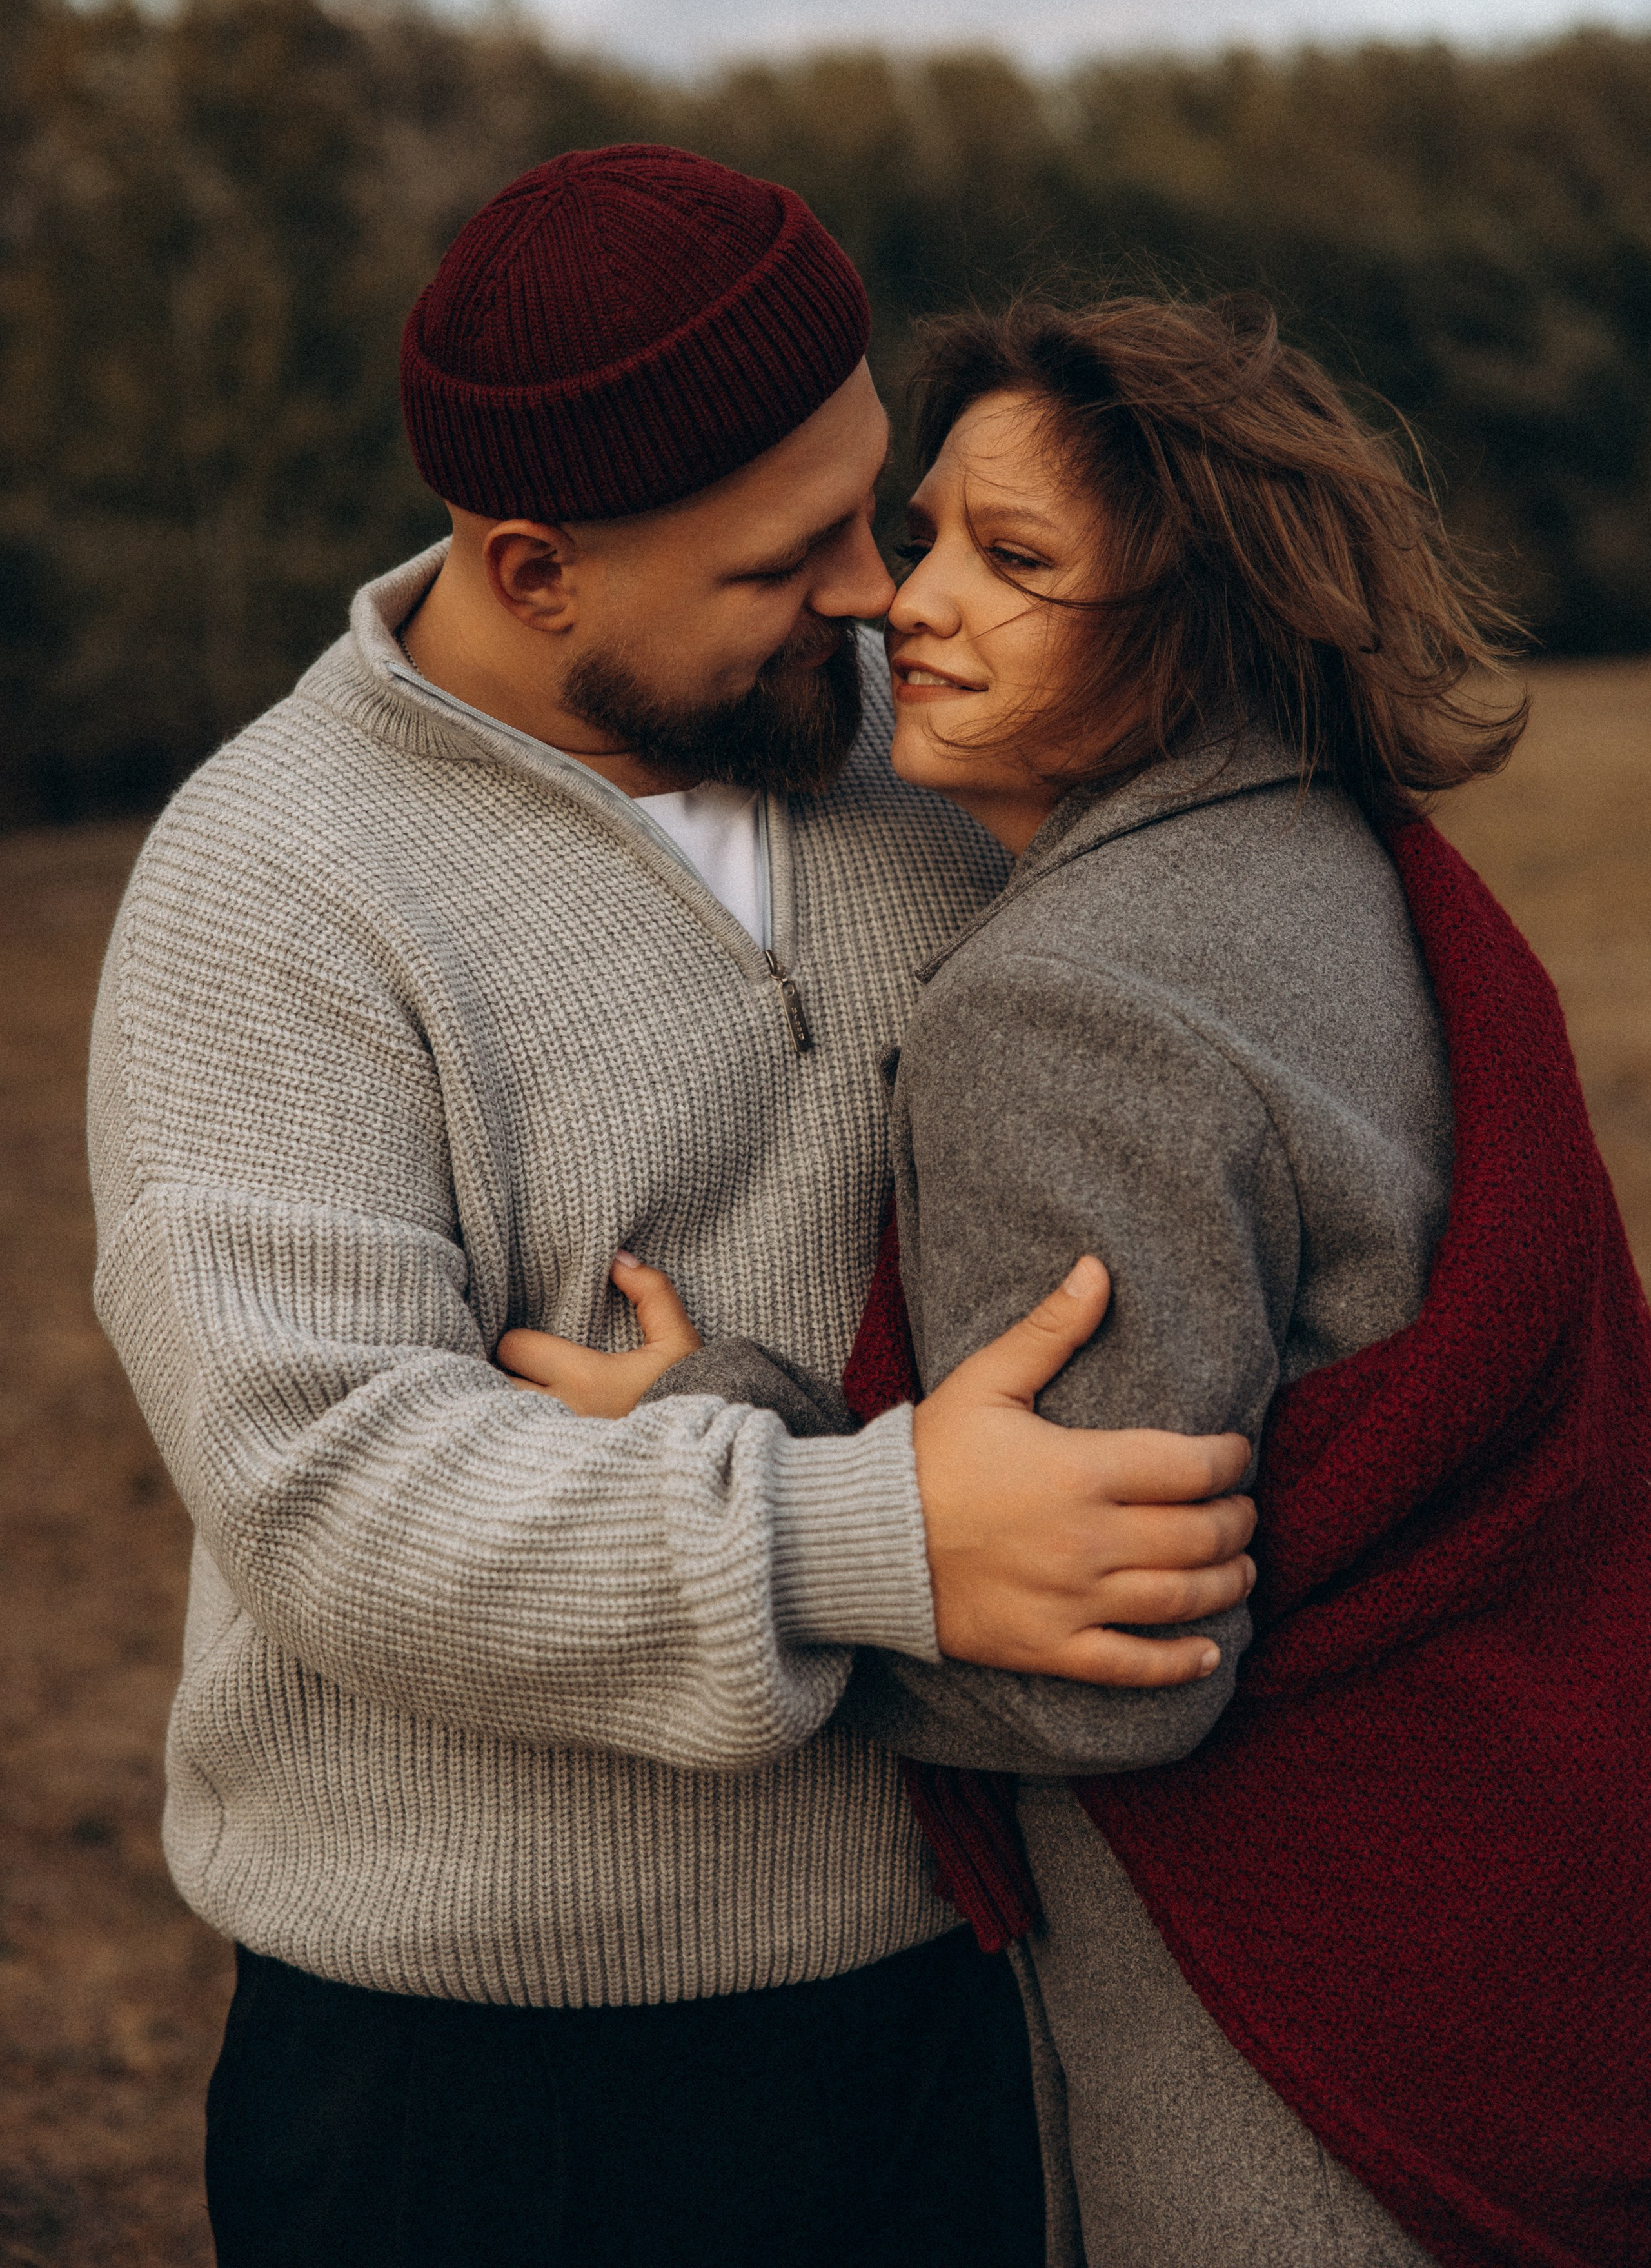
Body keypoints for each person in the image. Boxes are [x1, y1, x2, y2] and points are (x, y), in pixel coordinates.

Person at [88, 154, 1262, 2268]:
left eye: (874, 509)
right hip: (488, 2088)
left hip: (978, 1980)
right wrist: (872, 1535)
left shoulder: (951, 751)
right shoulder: (269, 882)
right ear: (534, 567)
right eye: (781, 558)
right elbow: (330, 1486)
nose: (872, 594)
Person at [511, 295, 1651, 2268]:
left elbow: (1110, 1669)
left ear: (1199, 620)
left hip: (1283, 2042)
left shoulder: (1060, 1009)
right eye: (933, 533)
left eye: (1014, 563)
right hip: (1522, 1899)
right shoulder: (1344, 860)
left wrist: (732, 1452)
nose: (909, 606)